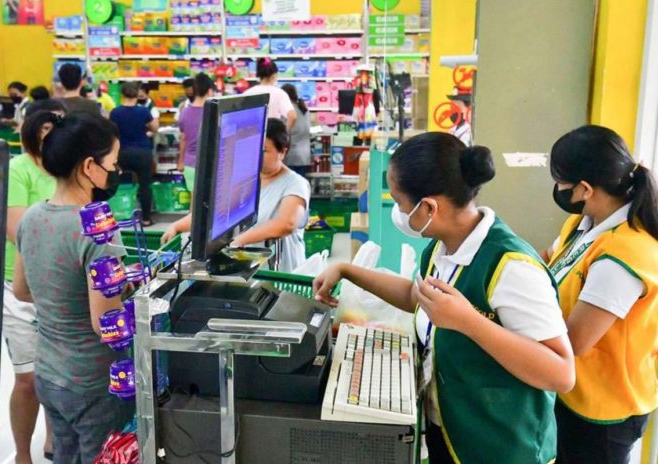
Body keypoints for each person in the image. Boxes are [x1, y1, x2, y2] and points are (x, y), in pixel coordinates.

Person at [313, 132, 575, 464]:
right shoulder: (444, 245)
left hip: (503, 449)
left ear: (428, 207)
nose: (397, 210)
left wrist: (468, 322)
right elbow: (417, 297)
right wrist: (348, 270)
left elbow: (561, 373)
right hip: (453, 433)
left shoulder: (511, 267)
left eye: (399, 202)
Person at [12, 111, 133, 463]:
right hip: (94, 381)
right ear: (89, 166)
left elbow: (21, 290)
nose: (116, 170)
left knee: (66, 454)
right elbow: (104, 323)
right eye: (113, 162)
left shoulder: (32, 217)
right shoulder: (99, 231)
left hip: (49, 374)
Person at [539, 125, 658, 464]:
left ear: (585, 189)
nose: (558, 190)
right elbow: (548, 265)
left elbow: (575, 340)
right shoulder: (583, 226)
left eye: (562, 183)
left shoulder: (624, 255)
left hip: (603, 411)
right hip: (571, 394)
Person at [162, 118, 311, 272]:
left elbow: (286, 224)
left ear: (282, 151)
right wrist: (176, 226)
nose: (255, 154)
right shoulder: (243, 179)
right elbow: (214, 213)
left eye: (264, 150)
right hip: (248, 270)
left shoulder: (295, 184)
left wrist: (238, 240)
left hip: (281, 273)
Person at [3, 100, 65, 464]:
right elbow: (16, 229)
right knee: (28, 379)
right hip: (19, 287)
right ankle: (23, 454)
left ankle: (54, 440)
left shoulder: (68, 169)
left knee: (58, 376)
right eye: (43, 134)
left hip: (59, 286)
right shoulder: (18, 169)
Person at [110, 82, 158, 226]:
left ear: (122, 95)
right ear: (137, 94)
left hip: (121, 153)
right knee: (145, 186)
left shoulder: (115, 112)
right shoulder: (143, 112)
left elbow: (110, 133)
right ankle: (146, 219)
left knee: (114, 183)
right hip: (142, 152)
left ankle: (113, 216)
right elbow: (154, 128)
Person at [177, 73, 214, 190]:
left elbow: (183, 139)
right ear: (209, 91)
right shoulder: (213, 113)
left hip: (190, 164)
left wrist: (180, 161)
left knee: (193, 203)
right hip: (209, 164)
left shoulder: (184, 112)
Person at [244, 57, 296, 128]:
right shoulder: (280, 93)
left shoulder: (247, 93)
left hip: (254, 135)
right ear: (274, 75)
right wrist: (284, 133)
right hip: (273, 135)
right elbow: (292, 116)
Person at [281, 84, 312, 177]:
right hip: (305, 156)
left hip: (292, 156)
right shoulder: (304, 109)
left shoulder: (288, 111)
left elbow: (283, 132)